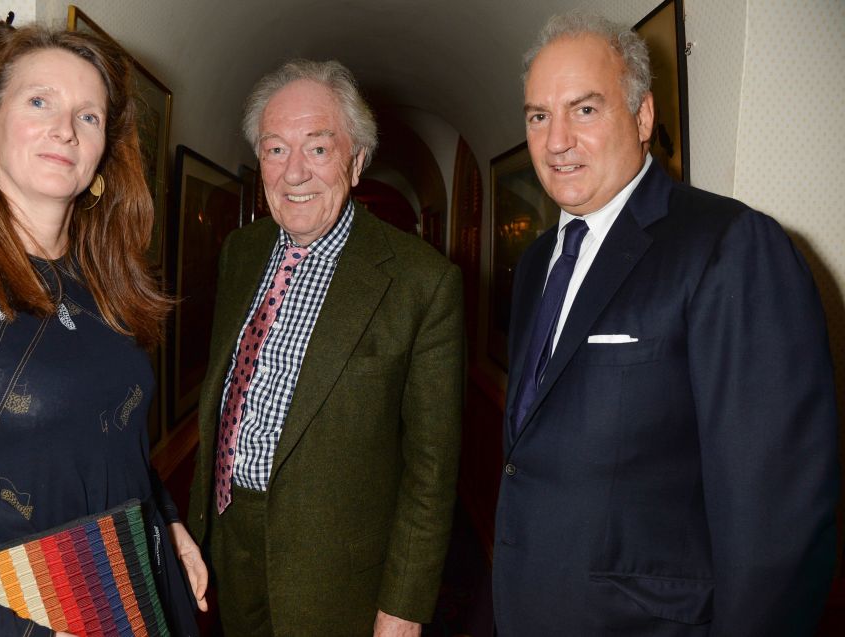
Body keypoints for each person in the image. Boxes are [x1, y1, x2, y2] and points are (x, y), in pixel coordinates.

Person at [493, 12, 839, 636]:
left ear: (643, 116)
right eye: (538, 116)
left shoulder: (730, 247)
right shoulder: (538, 261)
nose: (556, 140)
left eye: (585, 110)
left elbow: (775, 522)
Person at [0, 19, 207, 636]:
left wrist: (166, 520)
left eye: (89, 116)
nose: (66, 128)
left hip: (136, 592)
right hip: (13, 617)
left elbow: (109, 437)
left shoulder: (104, 275)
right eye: (40, 102)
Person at [187, 59, 464, 636]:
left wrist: (405, 607)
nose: (294, 174)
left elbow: (430, 472)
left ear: (357, 161)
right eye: (274, 149)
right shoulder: (241, 252)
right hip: (227, 536)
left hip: (336, 574)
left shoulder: (422, 282)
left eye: (317, 148)